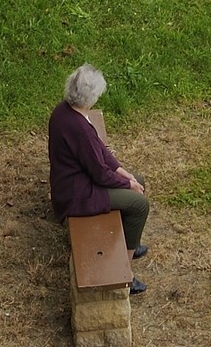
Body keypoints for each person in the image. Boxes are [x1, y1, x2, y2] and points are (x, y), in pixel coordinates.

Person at [47, 65, 150, 294]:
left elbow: (99, 153)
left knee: (138, 180)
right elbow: (100, 174)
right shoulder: (80, 128)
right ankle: (127, 270)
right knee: (139, 204)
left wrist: (123, 171)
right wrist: (127, 184)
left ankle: (127, 241)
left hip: (73, 182)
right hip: (77, 194)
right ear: (91, 96)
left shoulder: (64, 111)